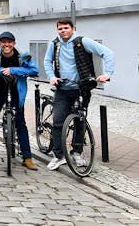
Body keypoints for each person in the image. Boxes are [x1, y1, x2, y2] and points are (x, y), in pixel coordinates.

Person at [43, 18, 114, 171]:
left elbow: (107, 53)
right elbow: (47, 61)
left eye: (66, 28)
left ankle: (77, 152)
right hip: (62, 89)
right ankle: (58, 155)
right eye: (60, 28)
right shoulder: (55, 43)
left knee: (80, 121)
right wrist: (51, 77)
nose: (63, 31)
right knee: (58, 123)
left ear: (73, 28)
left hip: (81, 89)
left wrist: (107, 74)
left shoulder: (82, 41)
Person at [0, 31, 40, 170]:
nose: (6, 44)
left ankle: (27, 157)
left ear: (14, 43)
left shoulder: (23, 55)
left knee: (20, 123)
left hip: (16, 90)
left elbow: (35, 70)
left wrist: (13, 70)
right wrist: (1, 70)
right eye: (3, 42)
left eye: (9, 42)